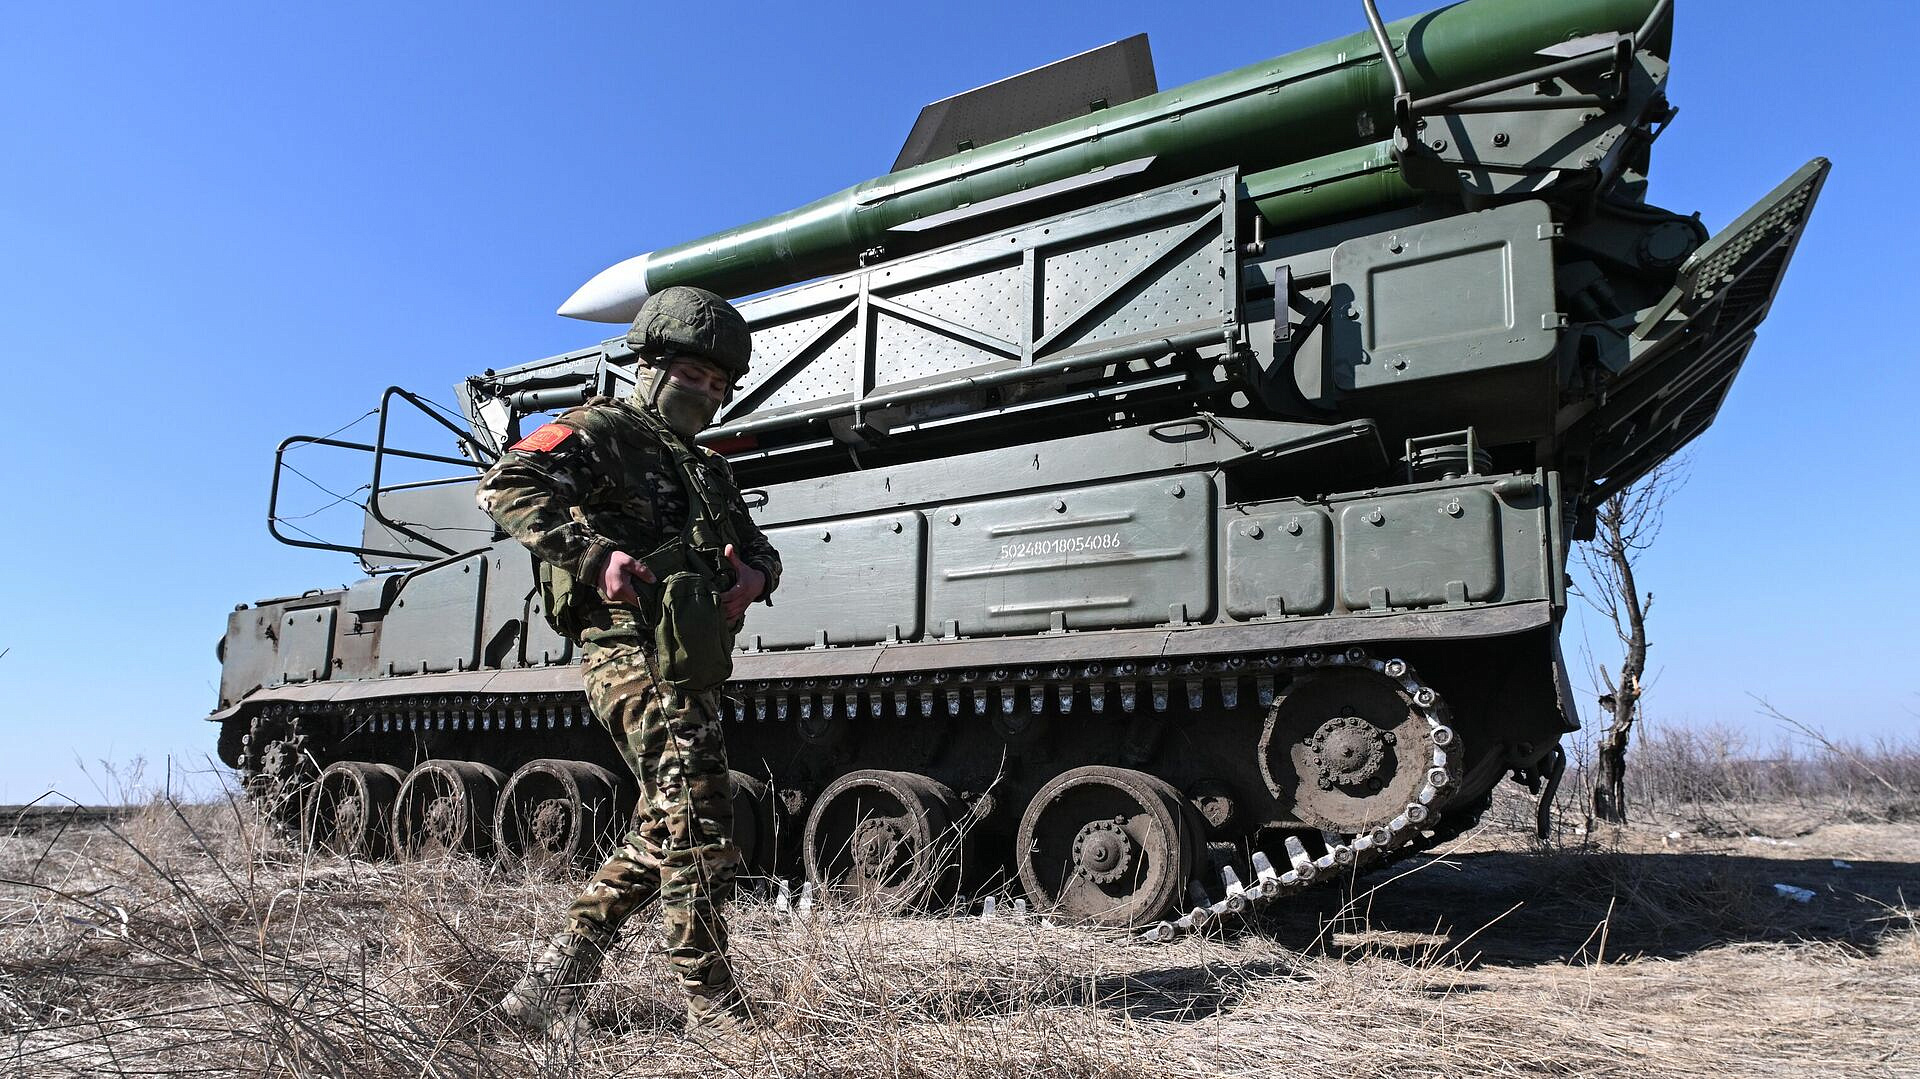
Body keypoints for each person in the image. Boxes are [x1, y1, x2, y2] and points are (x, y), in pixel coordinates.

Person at [479, 286, 782, 1037]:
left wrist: (758, 576)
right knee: (699, 824)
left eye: (718, 384)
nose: (705, 392)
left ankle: (549, 982)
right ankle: (713, 1009)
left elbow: (758, 546)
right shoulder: (604, 430)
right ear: (648, 366)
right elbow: (507, 484)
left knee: (664, 824)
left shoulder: (707, 467)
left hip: (691, 659)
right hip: (629, 649)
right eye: (691, 374)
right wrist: (591, 556)